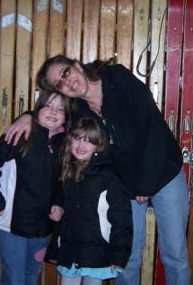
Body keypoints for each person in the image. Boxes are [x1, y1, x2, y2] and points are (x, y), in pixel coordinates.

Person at [5, 55, 191, 285]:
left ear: (75, 65)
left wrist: (146, 183)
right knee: (129, 257)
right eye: (59, 84)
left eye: (65, 73)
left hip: (163, 172)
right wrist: (28, 118)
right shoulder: (78, 109)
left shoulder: (117, 77)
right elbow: (57, 127)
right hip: (125, 184)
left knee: (175, 254)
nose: (68, 83)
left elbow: (151, 126)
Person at [0, 90, 70, 285]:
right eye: (48, 106)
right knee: (14, 279)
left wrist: (59, 204)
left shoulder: (63, 145)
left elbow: (62, 182)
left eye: (60, 109)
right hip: (12, 226)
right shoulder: (20, 135)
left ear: (66, 116)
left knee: (30, 277)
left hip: (42, 229)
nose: (54, 112)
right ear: (37, 109)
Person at [46, 117, 133, 285]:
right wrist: (55, 249)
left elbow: (122, 219)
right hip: (69, 252)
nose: (81, 145)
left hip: (97, 252)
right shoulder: (67, 172)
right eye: (77, 138)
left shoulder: (109, 177)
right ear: (70, 140)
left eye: (88, 141)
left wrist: (119, 255)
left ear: (98, 145)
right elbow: (63, 217)